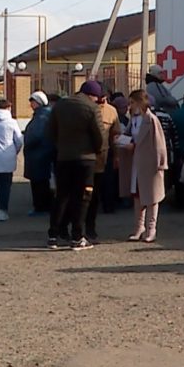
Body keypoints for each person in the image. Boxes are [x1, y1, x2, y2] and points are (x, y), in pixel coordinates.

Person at [47, 81, 104, 250]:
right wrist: (97, 151)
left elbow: (50, 131)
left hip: (63, 158)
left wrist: (60, 147)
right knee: (83, 198)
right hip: (86, 159)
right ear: (92, 95)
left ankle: (53, 236)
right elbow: (99, 135)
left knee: (61, 196)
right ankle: (77, 237)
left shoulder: (60, 105)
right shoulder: (92, 108)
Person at [118, 89, 168, 242]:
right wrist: (122, 141)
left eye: (132, 102)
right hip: (136, 162)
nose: (130, 106)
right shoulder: (133, 119)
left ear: (141, 102)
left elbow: (159, 142)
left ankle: (151, 228)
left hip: (150, 163)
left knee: (152, 196)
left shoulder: (151, 119)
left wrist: (161, 162)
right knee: (138, 196)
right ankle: (139, 227)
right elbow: (129, 136)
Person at [87, 82, 121, 242]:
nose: (101, 100)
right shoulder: (87, 109)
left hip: (104, 156)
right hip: (87, 156)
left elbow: (115, 135)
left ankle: (107, 208)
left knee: (105, 186)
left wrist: (116, 156)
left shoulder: (111, 111)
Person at [23, 91, 54, 216]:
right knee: (41, 182)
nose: (31, 104)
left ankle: (41, 208)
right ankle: (43, 206)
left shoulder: (41, 116)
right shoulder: (43, 114)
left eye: (32, 102)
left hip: (38, 154)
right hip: (41, 153)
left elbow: (36, 135)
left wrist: (28, 142)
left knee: (39, 183)